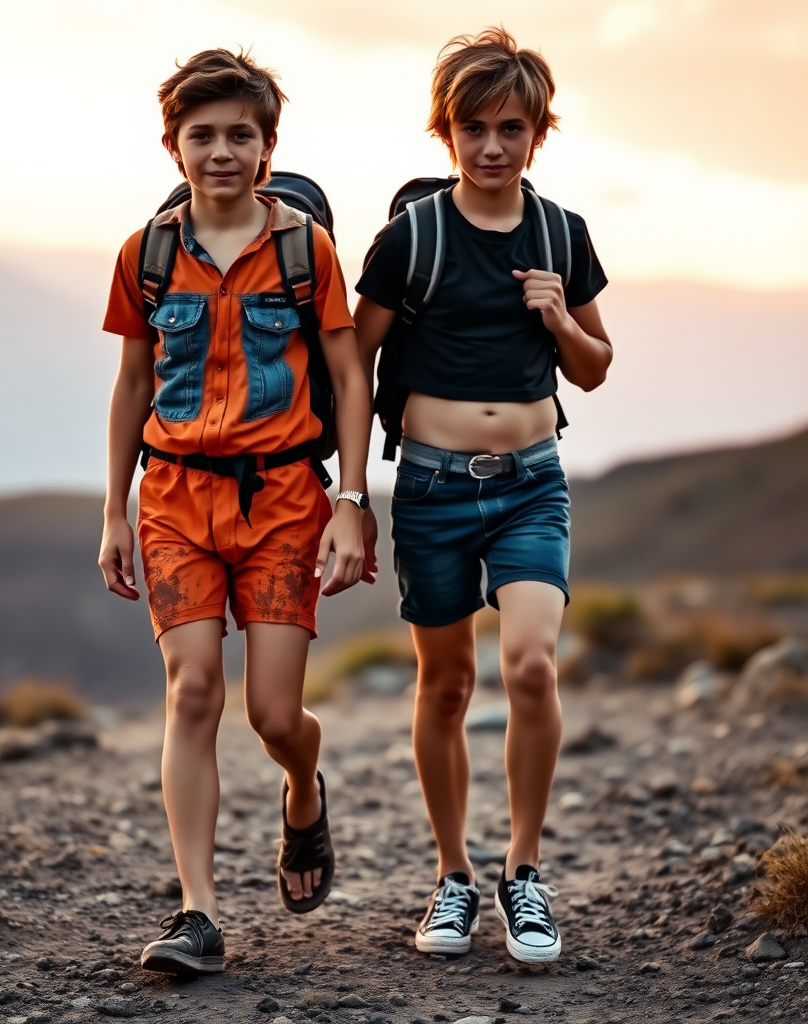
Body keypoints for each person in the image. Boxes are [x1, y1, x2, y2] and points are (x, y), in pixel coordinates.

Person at [99, 48, 374, 975]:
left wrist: (350, 499)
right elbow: (133, 380)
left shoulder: (306, 250)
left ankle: (304, 787)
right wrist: (113, 511)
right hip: (174, 498)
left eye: (240, 135)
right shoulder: (147, 254)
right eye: (202, 134)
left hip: (285, 503)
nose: (221, 151)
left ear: (267, 146)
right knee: (192, 692)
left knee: (272, 714)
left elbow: (346, 375)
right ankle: (198, 913)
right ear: (173, 145)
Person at [355, 28, 612, 964]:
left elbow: (593, 368)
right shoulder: (412, 239)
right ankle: (453, 877)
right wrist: (352, 492)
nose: (493, 145)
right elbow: (355, 358)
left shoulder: (561, 235)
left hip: (533, 484)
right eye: (474, 127)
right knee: (448, 682)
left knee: (533, 668)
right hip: (428, 485)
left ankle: (526, 873)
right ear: (446, 132)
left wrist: (556, 313)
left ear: (538, 134)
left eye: (512, 127)